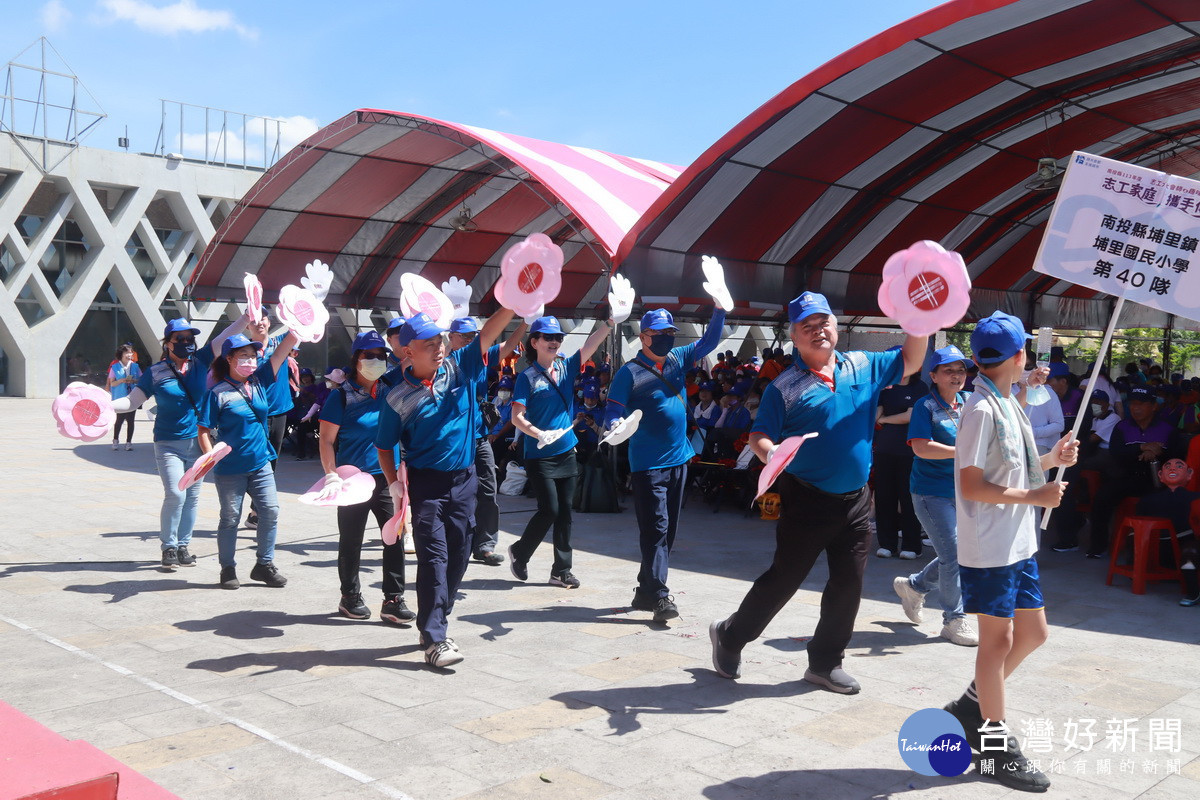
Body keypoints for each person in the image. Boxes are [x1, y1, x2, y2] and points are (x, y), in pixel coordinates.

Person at [708, 291, 926, 692]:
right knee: (785, 579)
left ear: (836, 327)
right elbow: (759, 435)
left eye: (823, 322)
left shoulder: (865, 364)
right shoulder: (783, 387)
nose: (818, 330)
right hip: (806, 499)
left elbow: (912, 360)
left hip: (858, 500)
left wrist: (919, 318)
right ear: (794, 335)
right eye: (807, 326)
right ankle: (730, 635)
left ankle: (825, 663)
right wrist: (770, 452)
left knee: (848, 584)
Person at [942, 311, 1078, 793]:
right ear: (1020, 356)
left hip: (1017, 543)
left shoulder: (1005, 402)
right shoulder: (981, 410)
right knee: (996, 644)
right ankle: (994, 748)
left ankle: (971, 706)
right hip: (991, 548)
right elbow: (973, 484)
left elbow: (1015, 471)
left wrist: (1051, 461)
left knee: (1034, 633)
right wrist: (1037, 498)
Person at [375, 308, 514, 669]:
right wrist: (393, 485)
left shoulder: (460, 367)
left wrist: (515, 300)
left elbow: (488, 334)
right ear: (408, 351)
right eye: (429, 344)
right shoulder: (396, 395)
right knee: (433, 557)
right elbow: (384, 445)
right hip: (425, 484)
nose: (438, 348)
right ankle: (435, 636)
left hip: (465, 480)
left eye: (440, 341)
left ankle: (436, 614)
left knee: (460, 552)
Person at [605, 299, 727, 622]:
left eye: (671, 331)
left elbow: (709, 342)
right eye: (659, 332)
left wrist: (718, 308)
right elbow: (612, 410)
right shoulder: (628, 373)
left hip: (679, 461)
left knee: (667, 530)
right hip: (647, 465)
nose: (667, 337)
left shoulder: (677, 359)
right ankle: (660, 595)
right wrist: (616, 424)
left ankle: (645, 589)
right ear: (644, 336)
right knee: (656, 528)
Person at [110, 315, 247, 569]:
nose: (186, 342)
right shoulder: (155, 372)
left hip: (198, 444)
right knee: (175, 493)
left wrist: (246, 317)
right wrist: (105, 407)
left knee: (192, 497)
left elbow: (223, 337)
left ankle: (183, 545)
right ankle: (168, 547)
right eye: (180, 339)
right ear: (168, 343)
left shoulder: (201, 361)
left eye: (190, 338)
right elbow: (131, 402)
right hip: (167, 443)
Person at [317, 330, 415, 623]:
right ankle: (350, 596)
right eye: (368, 355)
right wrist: (331, 475)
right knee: (351, 540)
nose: (376, 360)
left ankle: (393, 600)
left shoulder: (390, 389)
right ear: (356, 360)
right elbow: (325, 440)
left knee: (393, 538)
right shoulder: (341, 397)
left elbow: (412, 359)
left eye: (380, 355)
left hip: (387, 478)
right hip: (352, 482)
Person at [509, 315, 613, 588]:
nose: (554, 342)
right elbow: (516, 417)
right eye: (548, 337)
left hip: (566, 450)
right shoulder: (526, 378)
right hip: (539, 452)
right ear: (535, 342)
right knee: (549, 510)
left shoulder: (567, 368)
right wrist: (539, 433)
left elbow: (590, 345)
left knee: (565, 511)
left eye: (558, 338)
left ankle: (561, 570)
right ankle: (520, 552)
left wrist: (610, 322)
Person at [198, 330, 300, 589]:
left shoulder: (260, 380)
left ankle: (264, 565)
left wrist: (297, 326)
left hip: (261, 462)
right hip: (230, 468)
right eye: (243, 356)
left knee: (270, 511)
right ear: (229, 359)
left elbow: (280, 352)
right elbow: (204, 430)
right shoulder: (217, 392)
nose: (250, 361)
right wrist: (209, 457)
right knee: (230, 518)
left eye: (253, 356)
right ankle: (227, 568)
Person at [892, 346, 978, 647]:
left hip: (965, 490)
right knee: (955, 555)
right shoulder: (924, 407)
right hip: (931, 492)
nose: (957, 376)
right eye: (949, 370)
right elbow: (921, 447)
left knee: (955, 555)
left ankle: (915, 586)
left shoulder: (969, 402)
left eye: (961, 370)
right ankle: (954, 620)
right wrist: (961, 453)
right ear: (934, 375)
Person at [447, 316, 524, 568]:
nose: (470, 340)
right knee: (455, 494)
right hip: (455, 438)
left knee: (488, 490)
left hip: (479, 436)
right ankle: (454, 543)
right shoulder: (445, 363)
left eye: (473, 335)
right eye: (465, 336)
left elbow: (508, 345)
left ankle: (485, 544)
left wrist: (525, 322)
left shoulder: (481, 356)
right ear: (451, 337)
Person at [1087, 386, 1185, 557]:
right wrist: (1141, 448)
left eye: (1142, 404)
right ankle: (1098, 547)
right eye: (1133, 404)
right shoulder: (1122, 427)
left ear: (1154, 406)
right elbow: (1116, 453)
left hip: (1157, 481)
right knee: (1102, 498)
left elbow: (1177, 458)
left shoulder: (1168, 429)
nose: (1136, 408)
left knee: (1155, 505)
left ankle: (1146, 555)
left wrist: (1157, 453)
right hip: (1126, 476)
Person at [243, 313, 293, 528]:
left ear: (270, 322)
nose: (259, 323)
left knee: (271, 461)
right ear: (247, 325)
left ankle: (257, 510)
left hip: (279, 411)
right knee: (252, 460)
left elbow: (299, 329)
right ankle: (257, 506)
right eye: (253, 320)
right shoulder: (243, 351)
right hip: (254, 414)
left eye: (263, 318)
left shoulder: (279, 343)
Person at [874, 363, 928, 559]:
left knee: (909, 499)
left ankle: (911, 546)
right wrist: (882, 418)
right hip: (883, 450)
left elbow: (910, 416)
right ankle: (887, 544)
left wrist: (886, 420)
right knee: (884, 497)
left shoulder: (919, 387)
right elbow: (876, 415)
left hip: (909, 452)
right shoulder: (885, 388)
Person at [106, 344, 141, 451]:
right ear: (121, 354)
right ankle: (115, 440)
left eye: (131, 352)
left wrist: (133, 381)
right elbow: (112, 384)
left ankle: (129, 442)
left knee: (131, 420)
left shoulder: (135, 366)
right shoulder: (115, 367)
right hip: (120, 398)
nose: (129, 355)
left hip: (132, 397)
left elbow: (141, 379)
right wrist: (121, 380)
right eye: (127, 352)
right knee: (119, 419)